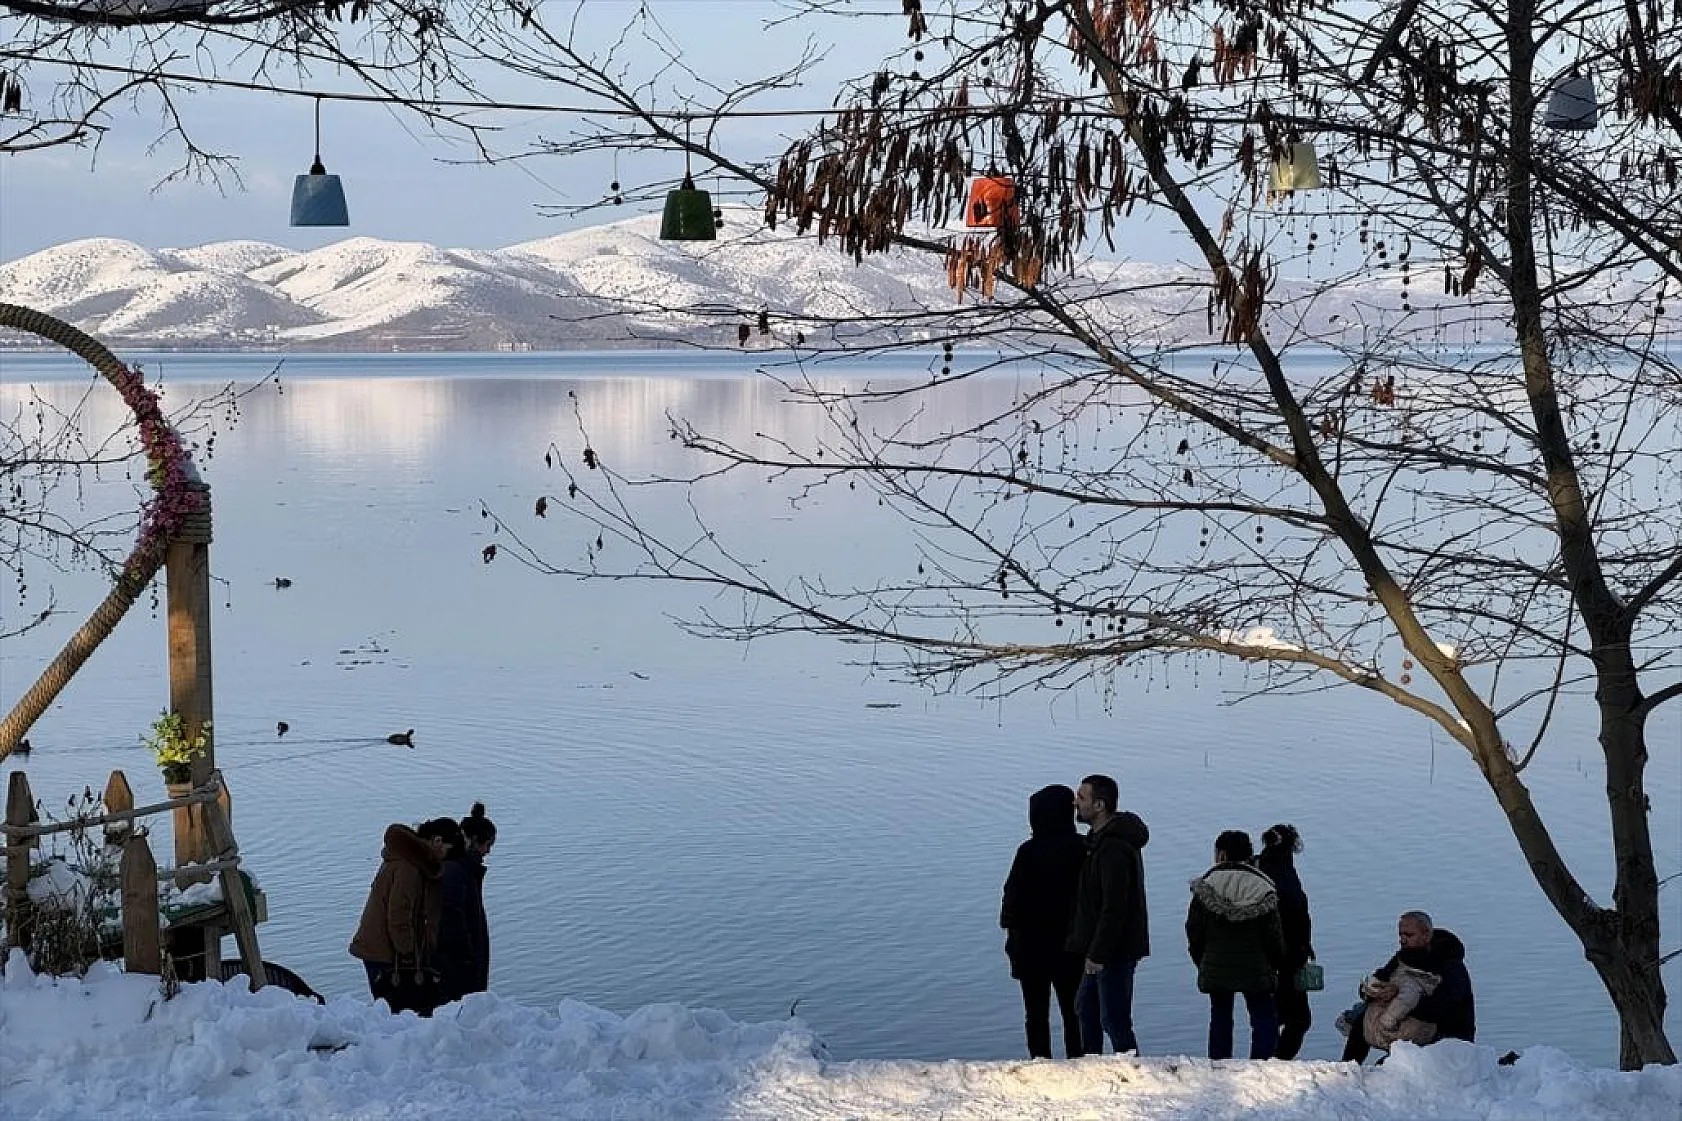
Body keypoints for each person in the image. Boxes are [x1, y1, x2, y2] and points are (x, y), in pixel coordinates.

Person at [1065, 774, 1151, 1056]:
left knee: (1113, 1019)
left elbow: (1115, 906)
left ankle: (1132, 1070)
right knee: (1086, 1009)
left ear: (1099, 805)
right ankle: (1093, 1068)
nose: (1075, 802)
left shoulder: (1112, 848)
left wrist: (1097, 954)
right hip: (1101, 946)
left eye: (1081, 797)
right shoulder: (1098, 841)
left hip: (1113, 949)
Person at [1000, 784, 1088, 1059]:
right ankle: (1078, 1060)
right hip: (1072, 947)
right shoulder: (1083, 849)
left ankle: (1040, 1061)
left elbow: (1011, 899)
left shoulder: (1027, 852)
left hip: (1031, 947)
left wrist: (1011, 928)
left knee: (1035, 1013)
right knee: (1074, 1012)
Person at [1186, 829, 1284, 1061]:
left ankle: (1219, 1064)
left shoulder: (1206, 886)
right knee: (1262, 1016)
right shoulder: (1263, 888)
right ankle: (1262, 1063)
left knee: (1220, 1015)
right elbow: (1274, 936)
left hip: (1216, 964)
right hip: (1256, 967)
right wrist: (1274, 963)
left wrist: (1203, 961)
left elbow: (1194, 932)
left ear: (1220, 854)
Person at [349, 817, 457, 1015]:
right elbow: (399, 916)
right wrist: (409, 953)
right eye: (447, 850)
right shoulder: (409, 868)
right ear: (437, 841)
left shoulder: (406, 860)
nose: (444, 858)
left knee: (394, 1013)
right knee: (398, 1015)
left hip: (379, 948)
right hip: (385, 953)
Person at [1339, 910, 1476, 1064]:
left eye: (1408, 935)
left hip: (1444, 1033)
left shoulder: (1450, 966)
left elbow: (1444, 1009)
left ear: (1426, 935)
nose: (1402, 940)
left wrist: (1398, 997)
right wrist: (1374, 991)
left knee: (1386, 1068)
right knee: (1361, 1017)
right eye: (1401, 935)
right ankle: (1347, 1068)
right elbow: (1377, 978)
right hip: (1411, 1020)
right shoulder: (1404, 957)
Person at [1256, 823, 1314, 1059]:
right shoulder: (1282, 872)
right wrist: (1303, 944)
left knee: (1276, 1013)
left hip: (1272, 954)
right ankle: (1277, 1060)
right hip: (1287, 955)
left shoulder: (1261, 868)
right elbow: (1295, 912)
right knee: (1298, 1019)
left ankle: (1271, 1058)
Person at [439, 802, 497, 1000]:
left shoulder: (465, 870)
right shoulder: (457, 871)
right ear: (473, 840)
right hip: (458, 963)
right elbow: (453, 917)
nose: (488, 851)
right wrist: (467, 956)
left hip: (464, 958)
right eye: (487, 844)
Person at [1359, 943, 1440, 1049]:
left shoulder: (1411, 981)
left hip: (1405, 1029)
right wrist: (1370, 990)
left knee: (1363, 1018)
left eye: (1407, 935)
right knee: (1360, 1014)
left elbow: (1405, 1001)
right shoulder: (1403, 964)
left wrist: (1387, 1021)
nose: (1402, 940)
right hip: (1415, 1025)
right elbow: (1379, 977)